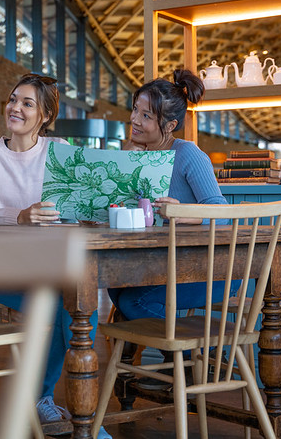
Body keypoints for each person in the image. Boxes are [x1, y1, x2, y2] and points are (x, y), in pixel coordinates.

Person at [0, 73, 112, 439]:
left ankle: (70, 409)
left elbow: (77, 206)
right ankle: (45, 400)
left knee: (79, 301)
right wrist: (21, 214)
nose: (15, 107)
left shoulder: (58, 149)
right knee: (63, 303)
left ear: (45, 116)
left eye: (27, 103)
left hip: (46, 266)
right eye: (13, 99)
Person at [107, 69, 231, 387]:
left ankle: (194, 356)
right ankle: (179, 363)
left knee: (134, 301)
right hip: (167, 268)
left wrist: (181, 212)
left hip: (206, 272)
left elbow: (222, 213)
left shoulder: (188, 154)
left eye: (146, 115)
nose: (134, 119)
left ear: (170, 125)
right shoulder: (140, 158)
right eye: (135, 109)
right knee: (116, 288)